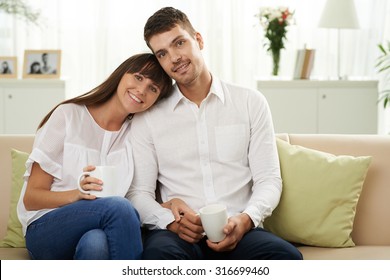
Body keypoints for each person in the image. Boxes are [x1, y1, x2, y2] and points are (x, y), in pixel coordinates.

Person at [127, 7, 303, 260]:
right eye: (163, 53)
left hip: (240, 229)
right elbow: (139, 193)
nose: (174, 58)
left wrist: (246, 219)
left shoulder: (250, 102)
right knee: (157, 258)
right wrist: (170, 222)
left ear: (198, 39)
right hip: (178, 234)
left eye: (179, 43)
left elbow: (269, 180)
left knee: (286, 258)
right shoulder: (148, 118)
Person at [17, 53, 173, 260]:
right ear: (121, 74)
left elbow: (136, 194)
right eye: (138, 77)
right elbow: (31, 198)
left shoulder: (136, 134)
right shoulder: (68, 115)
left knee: (96, 243)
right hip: (46, 228)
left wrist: (169, 206)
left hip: (100, 227)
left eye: (153, 88)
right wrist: (77, 194)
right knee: (119, 207)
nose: (141, 90)